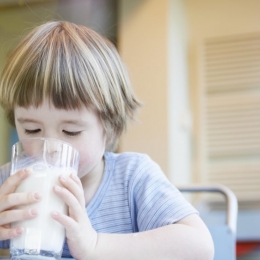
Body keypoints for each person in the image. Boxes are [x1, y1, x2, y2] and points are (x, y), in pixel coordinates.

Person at [0, 21, 214, 260]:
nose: (48, 149)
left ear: (110, 127)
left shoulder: (132, 178)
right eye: (32, 129)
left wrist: (95, 244)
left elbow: (199, 246)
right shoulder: (9, 183)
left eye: (70, 132)